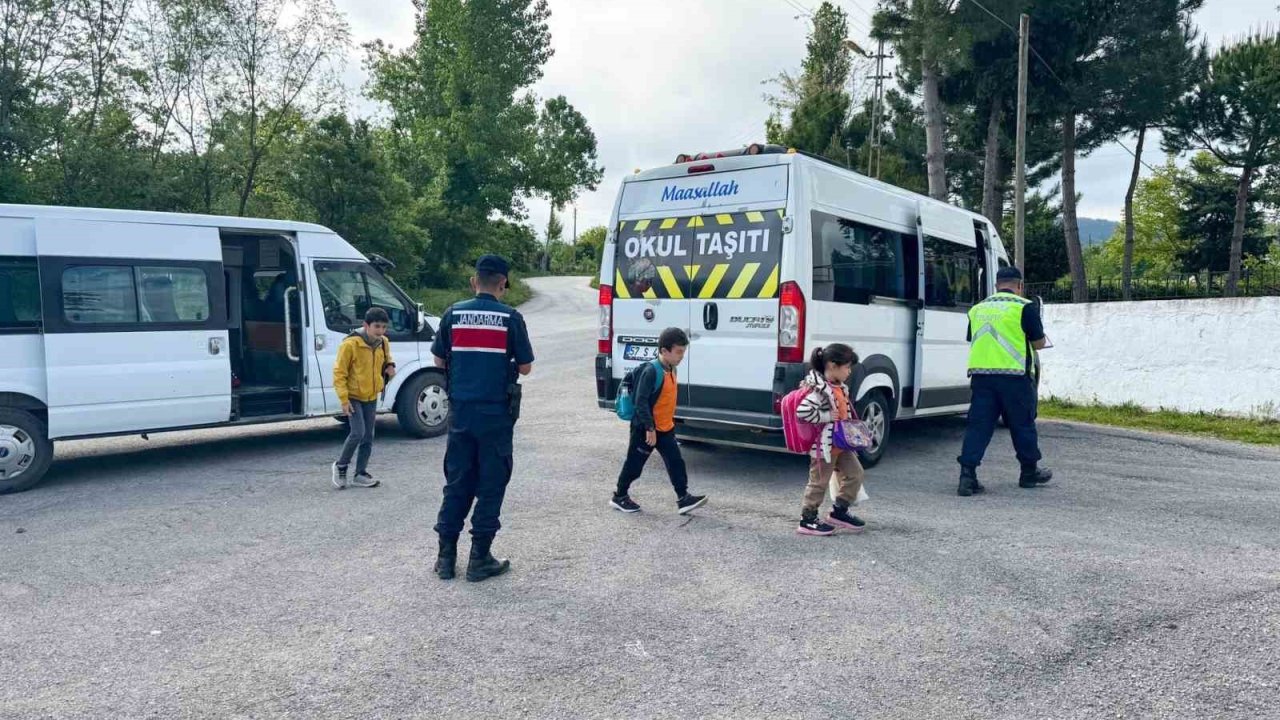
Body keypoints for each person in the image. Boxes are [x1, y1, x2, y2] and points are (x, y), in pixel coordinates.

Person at [431, 255, 534, 583]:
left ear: (474, 281)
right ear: (502, 283)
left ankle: (445, 559)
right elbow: (525, 367)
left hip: (460, 413)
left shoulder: (453, 313)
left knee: (457, 482)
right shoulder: (510, 317)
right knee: (491, 484)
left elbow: (437, 358)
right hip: (495, 416)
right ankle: (479, 560)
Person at [957, 266, 1053, 496]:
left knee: (978, 427)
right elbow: (1038, 343)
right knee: (1023, 425)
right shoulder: (1024, 307)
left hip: (982, 377)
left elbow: (973, 338)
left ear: (996, 285)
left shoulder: (977, 309)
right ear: (1020, 286)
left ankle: (967, 476)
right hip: (1015, 378)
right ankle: (1029, 473)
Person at [610, 327, 708, 515]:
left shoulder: (672, 368)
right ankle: (619, 496)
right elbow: (640, 401)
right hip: (645, 429)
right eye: (678, 352)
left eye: (683, 352)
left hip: (665, 428)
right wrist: (649, 428)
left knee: (676, 462)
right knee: (634, 464)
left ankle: (683, 498)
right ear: (664, 351)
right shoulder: (651, 371)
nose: (681, 356)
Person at [794, 343, 868, 536]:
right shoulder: (819, 390)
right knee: (819, 482)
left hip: (841, 444)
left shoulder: (839, 387)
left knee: (856, 473)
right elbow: (802, 411)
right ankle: (807, 519)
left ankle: (839, 511)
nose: (849, 371)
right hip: (823, 446)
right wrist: (827, 416)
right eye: (847, 367)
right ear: (833, 366)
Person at [331, 307, 396, 490]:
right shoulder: (350, 345)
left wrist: (390, 366)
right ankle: (341, 466)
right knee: (357, 432)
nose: (381, 331)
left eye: (384, 327)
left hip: (371, 395)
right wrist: (344, 399)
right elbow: (339, 373)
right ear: (365, 325)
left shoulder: (383, 342)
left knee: (369, 436)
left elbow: (387, 359)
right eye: (377, 326)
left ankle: (360, 473)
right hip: (353, 396)